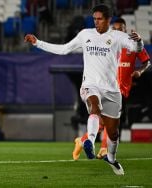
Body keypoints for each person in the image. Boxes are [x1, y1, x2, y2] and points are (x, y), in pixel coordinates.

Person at [24, 4, 144, 175]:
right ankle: (90, 142)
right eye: (94, 19)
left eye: (100, 19)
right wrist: (38, 43)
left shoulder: (118, 36)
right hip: (90, 85)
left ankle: (111, 157)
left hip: (112, 89)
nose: (96, 22)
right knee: (94, 107)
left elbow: (136, 49)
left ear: (108, 19)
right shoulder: (85, 35)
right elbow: (64, 49)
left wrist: (138, 41)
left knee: (113, 133)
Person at [72, 17, 151, 161]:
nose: (117, 31)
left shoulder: (132, 46)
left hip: (123, 89)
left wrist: (140, 71)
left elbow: (147, 61)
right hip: (107, 88)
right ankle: (103, 148)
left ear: (125, 30)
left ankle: (82, 141)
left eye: (120, 29)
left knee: (104, 123)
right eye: (114, 29)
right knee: (108, 121)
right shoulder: (106, 46)